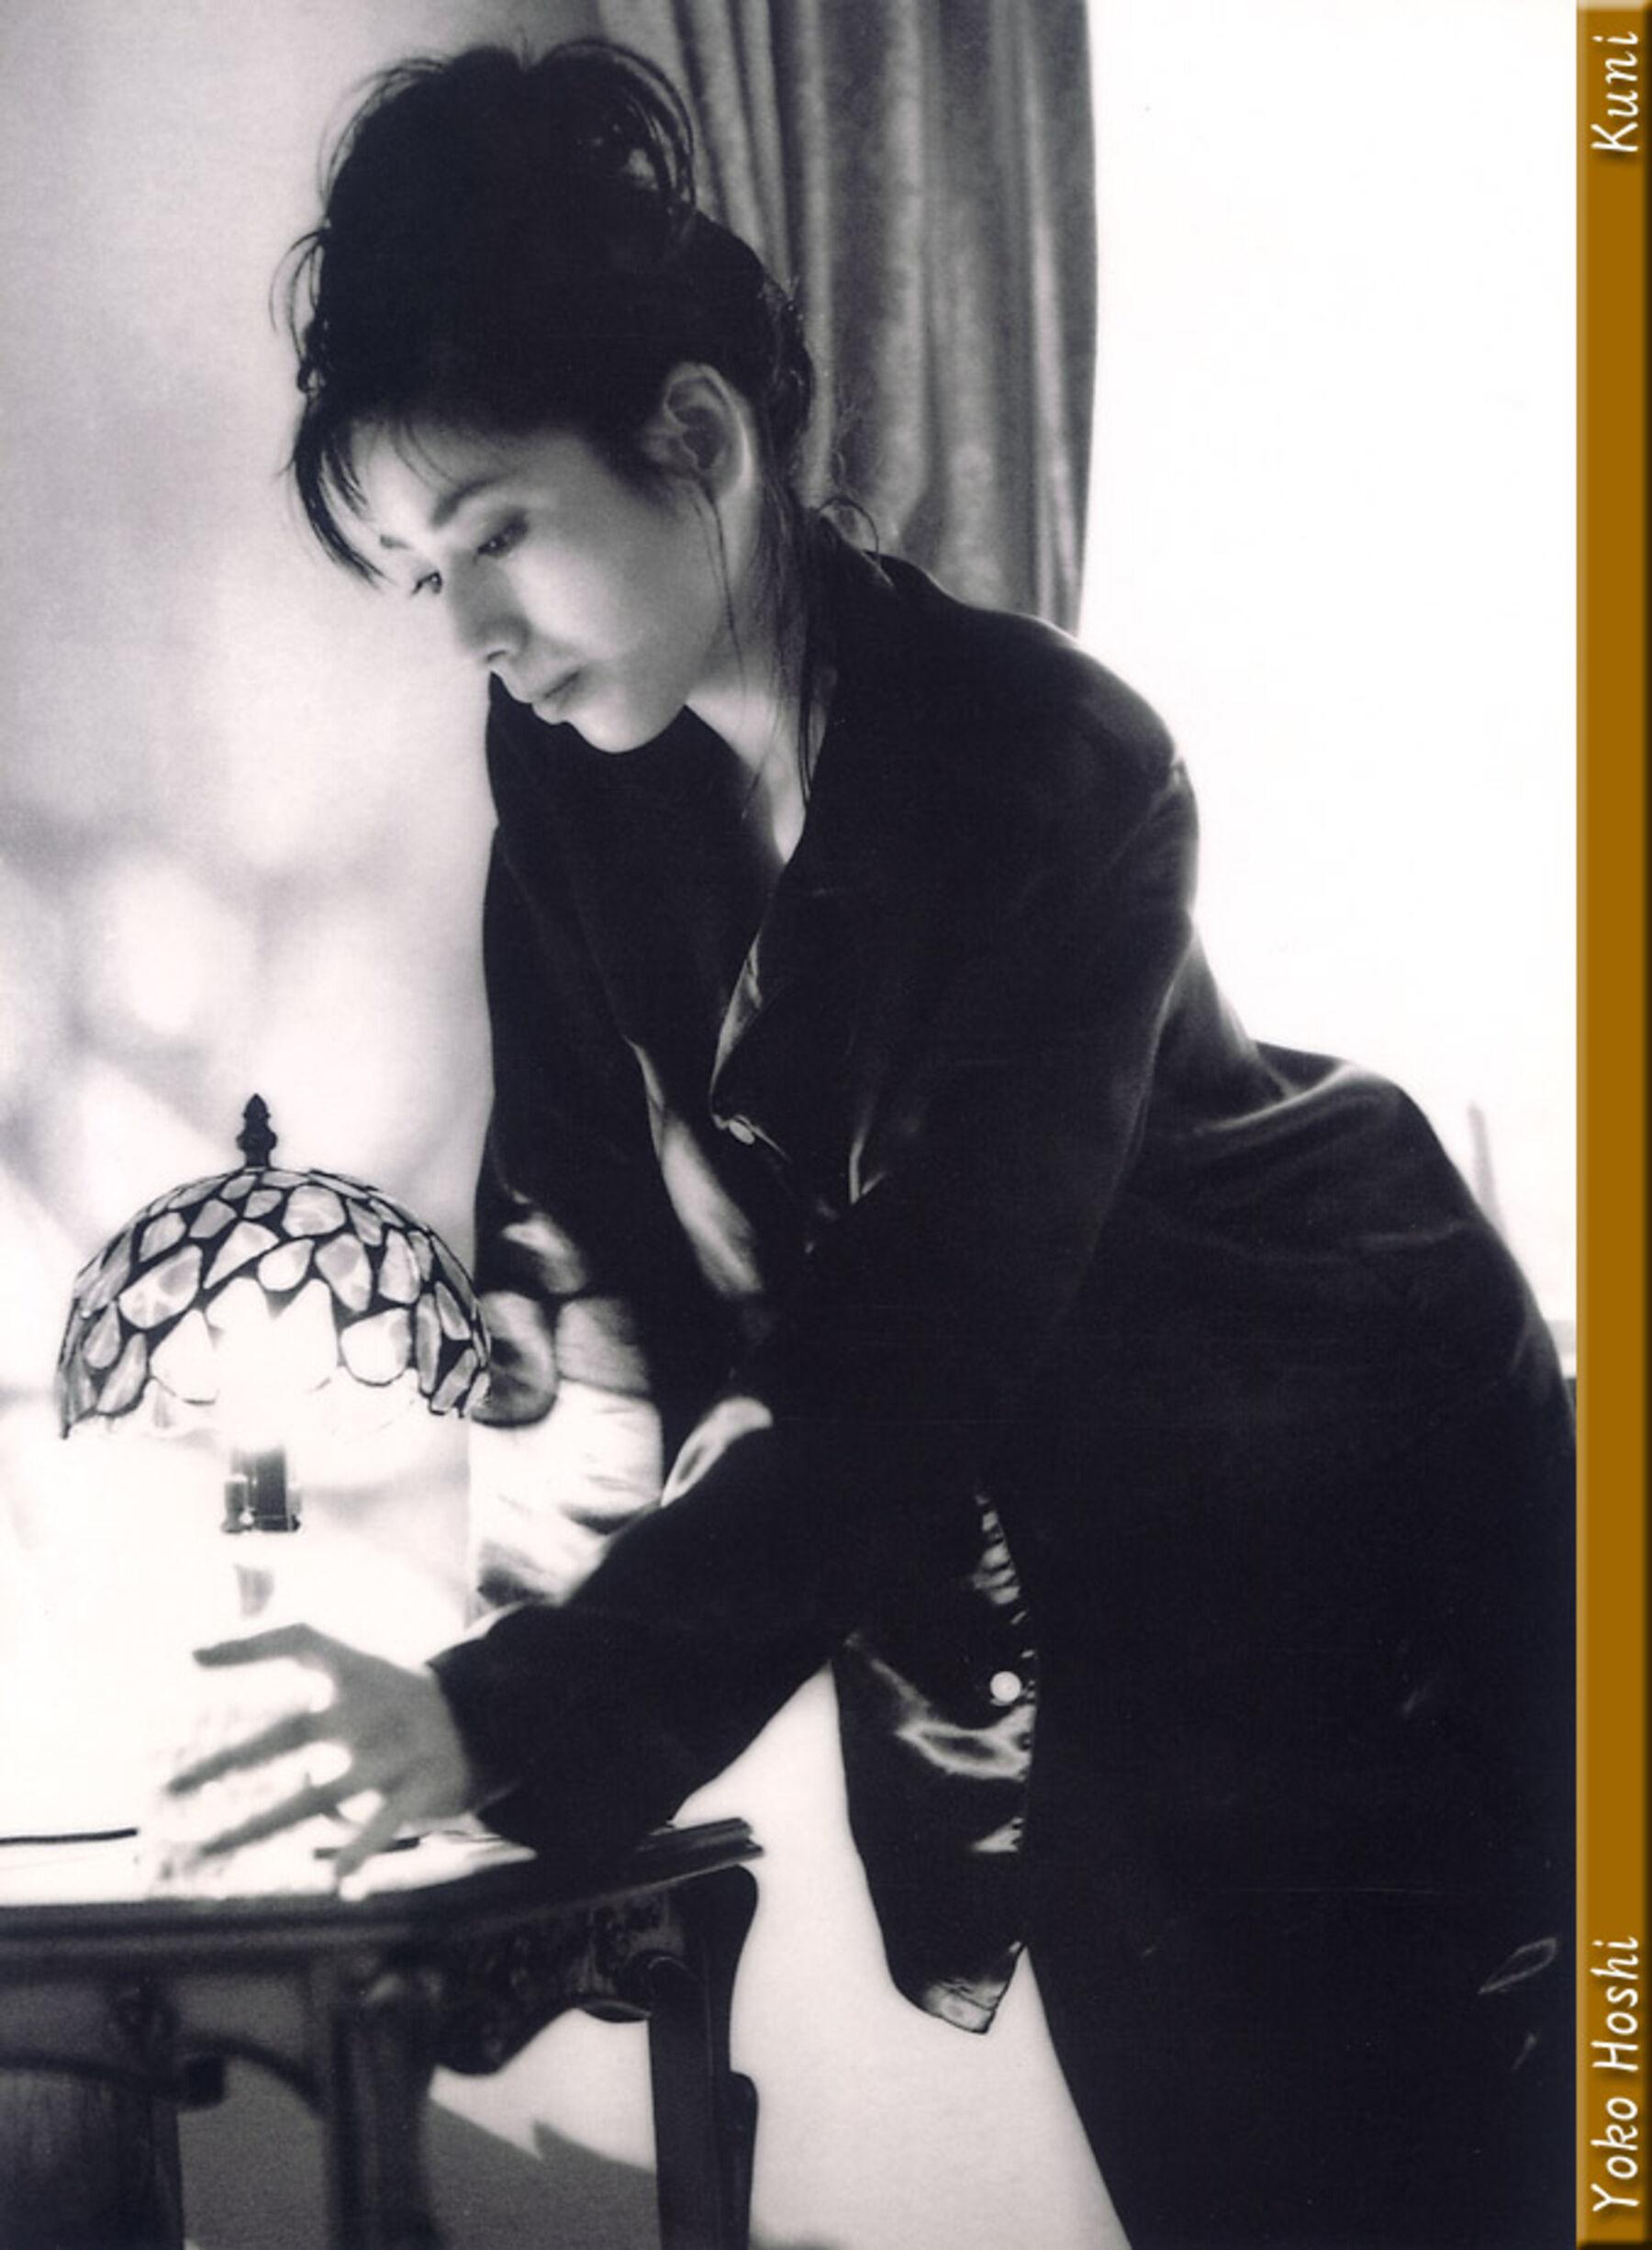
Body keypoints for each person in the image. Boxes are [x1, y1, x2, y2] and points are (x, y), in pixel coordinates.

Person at [173, 40, 1575, 2249]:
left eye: (499, 531)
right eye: (420, 569)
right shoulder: (570, 780)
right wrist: (494, 1718)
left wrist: (520, 1706)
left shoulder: (1058, 761)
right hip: (1074, 1543)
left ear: (698, 437)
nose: (471, 629)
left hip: (1370, 1497)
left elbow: (919, 1339)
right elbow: (575, 1249)